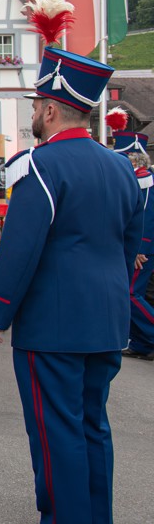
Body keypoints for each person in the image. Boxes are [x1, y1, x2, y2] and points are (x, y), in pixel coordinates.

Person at [0, 0, 140, 524]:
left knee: (56, 434)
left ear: (51, 109)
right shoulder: (122, 168)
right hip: (108, 319)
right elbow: (128, 245)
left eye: (35, 106)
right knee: (93, 425)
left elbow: (21, 247)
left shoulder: (40, 166)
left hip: (54, 325)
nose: (33, 115)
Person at [111, 122, 154, 361]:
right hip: (140, 246)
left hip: (143, 248)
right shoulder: (138, 178)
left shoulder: (144, 180)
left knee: (130, 294)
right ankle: (141, 341)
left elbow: (144, 218)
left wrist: (137, 248)